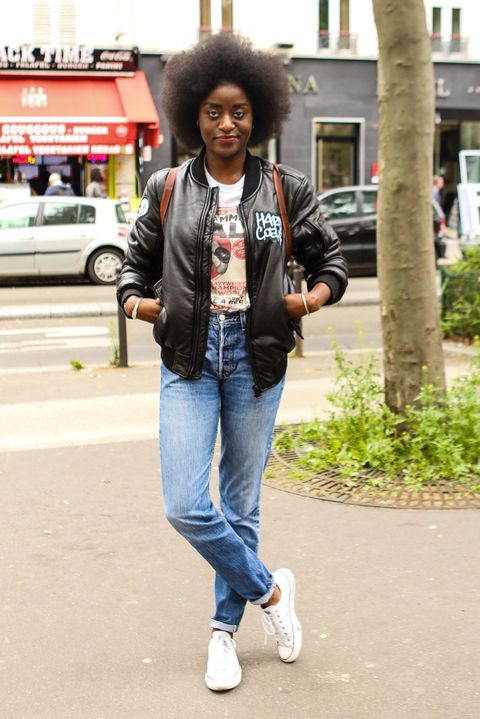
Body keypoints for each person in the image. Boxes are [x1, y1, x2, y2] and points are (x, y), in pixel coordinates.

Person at [117, 34, 348, 692]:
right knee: (187, 505)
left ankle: (224, 630)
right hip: (188, 359)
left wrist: (302, 301)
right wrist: (141, 307)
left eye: (239, 112)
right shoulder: (167, 188)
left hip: (257, 356)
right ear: (196, 115)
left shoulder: (285, 188)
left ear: (260, 118)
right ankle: (271, 593)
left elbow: (333, 261)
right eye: (215, 112)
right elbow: (132, 270)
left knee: (240, 505)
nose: (226, 123)